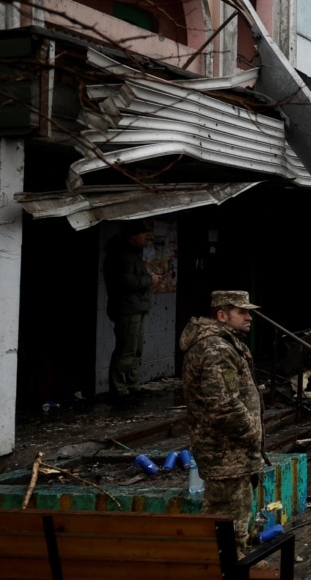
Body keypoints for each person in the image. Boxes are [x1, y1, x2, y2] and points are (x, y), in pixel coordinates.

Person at [180, 291, 266, 549]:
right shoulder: (215, 348)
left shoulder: (227, 343)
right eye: (242, 312)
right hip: (225, 453)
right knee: (226, 527)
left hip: (233, 453)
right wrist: (252, 432)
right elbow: (224, 405)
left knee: (234, 523)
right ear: (222, 315)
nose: (249, 317)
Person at [103, 219, 161, 399]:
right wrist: (149, 279)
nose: (145, 237)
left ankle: (132, 384)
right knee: (126, 349)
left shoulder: (131, 254)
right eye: (142, 234)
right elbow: (126, 282)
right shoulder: (121, 256)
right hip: (127, 309)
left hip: (135, 307)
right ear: (132, 237)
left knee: (136, 349)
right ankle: (119, 388)